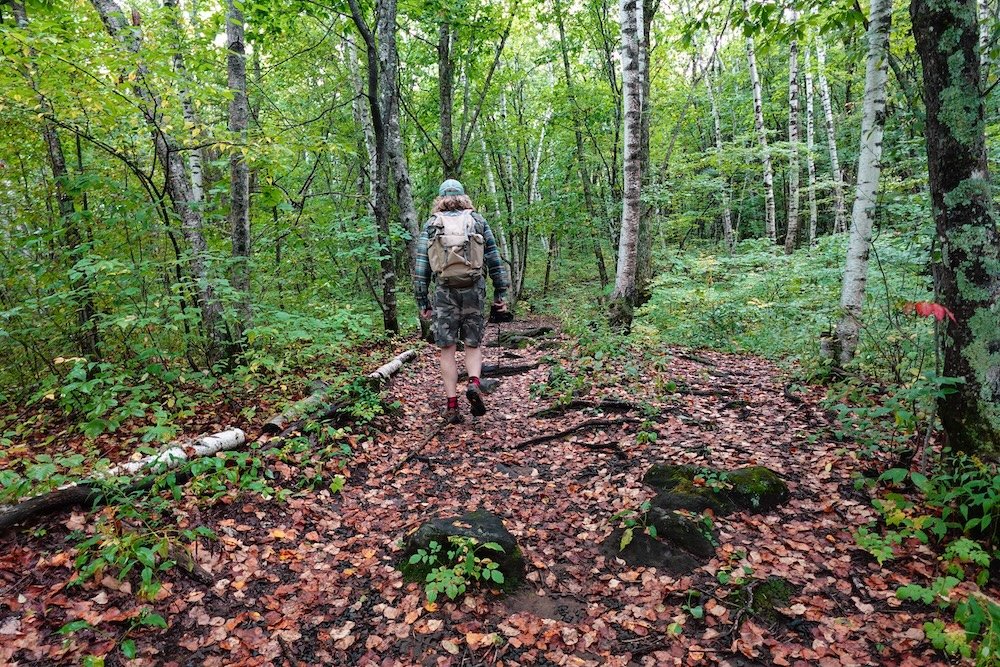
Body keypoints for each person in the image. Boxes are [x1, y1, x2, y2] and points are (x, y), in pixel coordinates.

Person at [414, 179, 510, 423]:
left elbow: (422, 264)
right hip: (474, 289)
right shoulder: (477, 220)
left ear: (440, 198)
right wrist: (501, 292)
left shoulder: (432, 224)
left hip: (444, 291)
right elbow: (493, 256)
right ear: (463, 197)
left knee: (447, 348)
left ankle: (452, 405)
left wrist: (422, 299)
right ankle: (475, 383)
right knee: (472, 344)